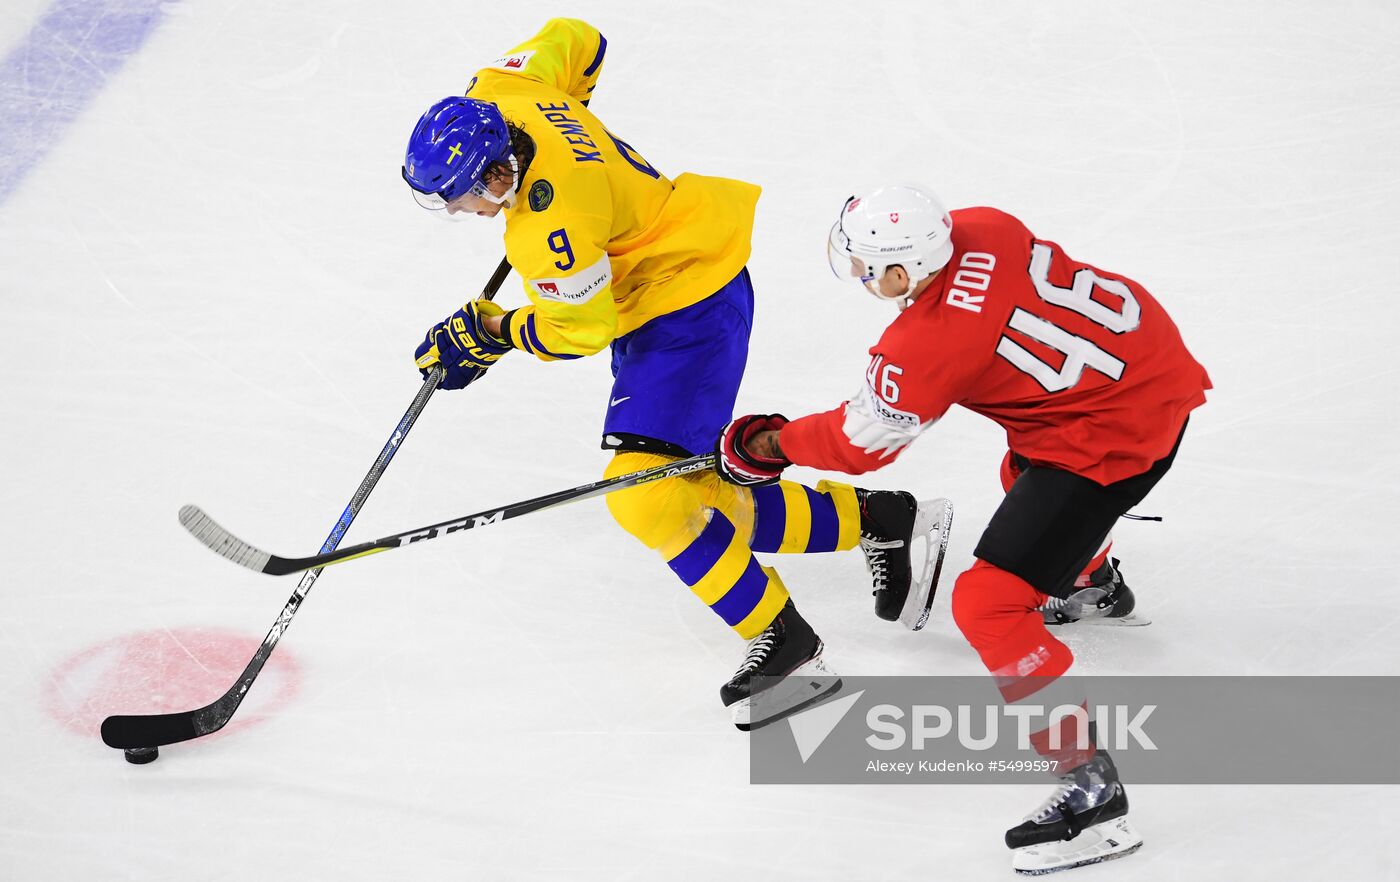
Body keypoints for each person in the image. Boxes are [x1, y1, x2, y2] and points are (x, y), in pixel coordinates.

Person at [398, 20, 952, 730]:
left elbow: (580, 329)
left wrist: (494, 331)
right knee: (693, 496)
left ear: (497, 176)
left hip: (685, 307)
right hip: (666, 282)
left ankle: (788, 645)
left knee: (645, 499)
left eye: (457, 197)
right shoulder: (505, 88)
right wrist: (579, 127)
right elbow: (578, 37)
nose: (455, 211)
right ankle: (882, 520)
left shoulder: (552, 227)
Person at [714, 185, 1211, 873]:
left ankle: (1091, 793)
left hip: (1112, 440)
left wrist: (769, 446)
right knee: (1025, 481)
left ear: (903, 273)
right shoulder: (986, 227)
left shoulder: (927, 344)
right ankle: (1093, 584)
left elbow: (861, 444)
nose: (860, 278)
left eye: (866, 267)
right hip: (1154, 371)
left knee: (988, 605)